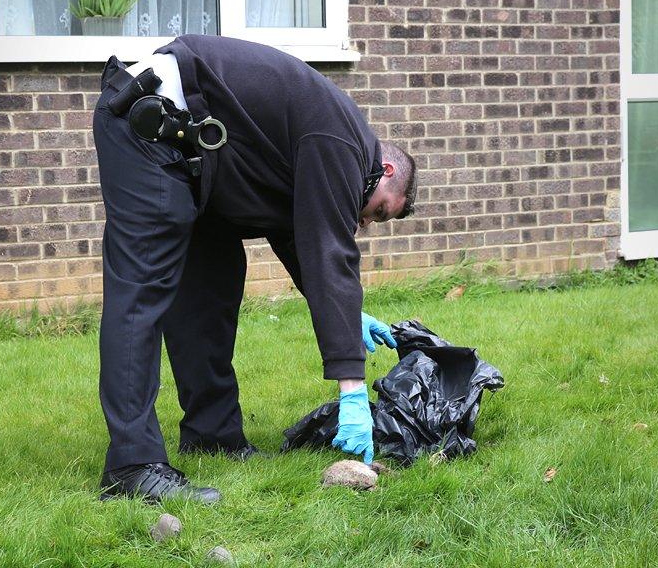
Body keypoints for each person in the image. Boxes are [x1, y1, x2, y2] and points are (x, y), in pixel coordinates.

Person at [93, 34, 419, 504]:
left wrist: (349, 320)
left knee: (214, 281)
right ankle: (132, 466)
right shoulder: (344, 143)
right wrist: (352, 390)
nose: (366, 222)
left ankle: (213, 436)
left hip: (195, 161)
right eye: (380, 212)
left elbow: (302, 238)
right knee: (140, 292)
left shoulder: (327, 148)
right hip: (149, 123)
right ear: (385, 170)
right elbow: (331, 251)